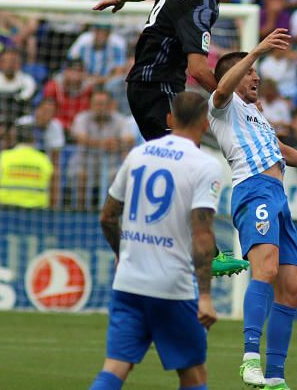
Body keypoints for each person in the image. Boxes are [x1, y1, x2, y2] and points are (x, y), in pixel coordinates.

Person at [208, 32, 297, 390]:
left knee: (291, 291)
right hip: (252, 189)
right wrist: (257, 49)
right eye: (250, 72)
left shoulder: (257, 115)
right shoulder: (222, 105)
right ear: (234, 74)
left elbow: (279, 147)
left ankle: (274, 377)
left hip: (278, 195)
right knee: (266, 269)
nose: (257, 77)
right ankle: (249, 360)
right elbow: (222, 88)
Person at [94, 92, 220, 390]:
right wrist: (204, 296)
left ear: (169, 119)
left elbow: (107, 217)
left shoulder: (138, 154)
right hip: (171, 287)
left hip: (128, 282)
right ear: (205, 123)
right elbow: (202, 235)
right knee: (193, 373)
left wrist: (120, 253)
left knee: (115, 367)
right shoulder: (205, 165)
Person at [93, 0, 241, 140]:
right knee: (184, 150)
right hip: (160, 87)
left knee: (167, 155)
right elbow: (197, 70)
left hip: (139, 84)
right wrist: (232, 102)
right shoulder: (200, 9)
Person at [0, 125, 54, 208]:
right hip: (37, 211)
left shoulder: (5, 157)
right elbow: (51, 182)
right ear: (33, 139)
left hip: (7, 211)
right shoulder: (43, 159)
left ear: (15, 139)